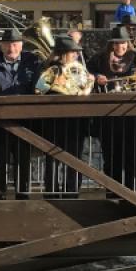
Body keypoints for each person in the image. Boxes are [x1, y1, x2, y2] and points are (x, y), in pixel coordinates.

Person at [0, 29, 41, 197]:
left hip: (25, 122)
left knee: (23, 161)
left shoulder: (33, 62)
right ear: (1, 46)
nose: (12, 48)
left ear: (21, 45)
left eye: (16, 44)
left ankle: (23, 196)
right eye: (8, 44)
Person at [89, 28, 136, 194]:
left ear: (127, 43)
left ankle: (134, 191)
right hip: (108, 116)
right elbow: (87, 71)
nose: (119, 46)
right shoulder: (100, 58)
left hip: (133, 115)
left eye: (122, 43)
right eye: (116, 43)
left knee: (134, 155)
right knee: (111, 155)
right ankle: (112, 191)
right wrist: (96, 77)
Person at [34, 34, 90, 196]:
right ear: (64, 53)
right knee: (52, 158)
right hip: (54, 120)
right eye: (73, 52)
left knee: (74, 158)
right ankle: (51, 192)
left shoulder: (78, 68)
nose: (76, 55)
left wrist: (89, 81)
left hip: (75, 120)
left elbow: (84, 87)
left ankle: (72, 192)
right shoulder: (49, 68)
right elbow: (38, 89)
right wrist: (55, 86)